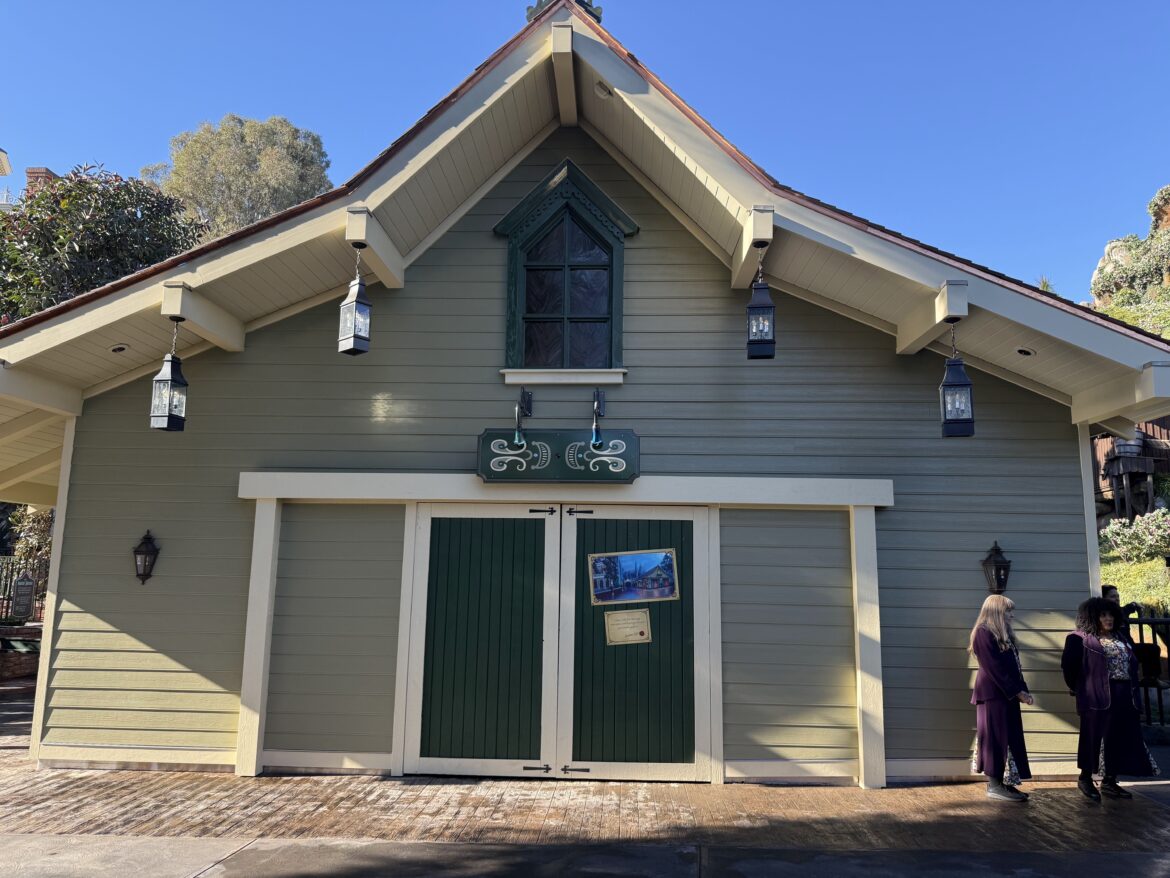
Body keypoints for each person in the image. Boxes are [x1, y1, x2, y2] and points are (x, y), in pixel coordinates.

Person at [1061, 597, 1160, 801]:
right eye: (1103, 615)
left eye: (1111, 615)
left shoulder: (1121, 636)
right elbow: (1069, 668)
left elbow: (1134, 662)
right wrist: (1080, 689)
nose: (1108, 619)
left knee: (1119, 737)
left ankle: (1110, 781)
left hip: (1125, 694)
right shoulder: (1079, 638)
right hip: (1097, 695)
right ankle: (1086, 778)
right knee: (1094, 737)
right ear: (1092, 617)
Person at [969, 594, 1033, 802]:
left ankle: (1004, 782)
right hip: (993, 696)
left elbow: (1015, 666)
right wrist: (1017, 691)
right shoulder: (983, 633)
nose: (1011, 616)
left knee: (1009, 738)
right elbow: (994, 668)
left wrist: (1023, 689)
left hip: (1007, 696)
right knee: (996, 739)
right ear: (996, 611)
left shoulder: (1005, 636)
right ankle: (994, 784)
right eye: (1007, 611)